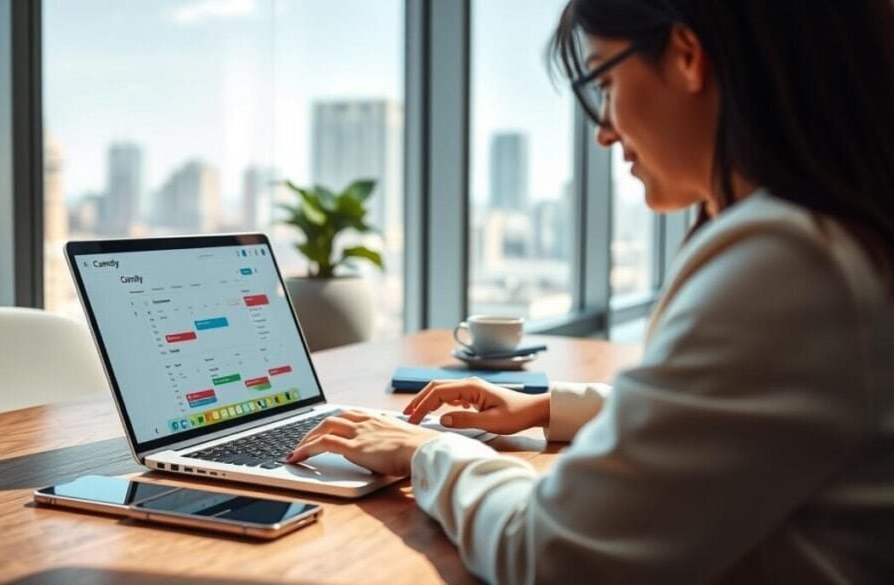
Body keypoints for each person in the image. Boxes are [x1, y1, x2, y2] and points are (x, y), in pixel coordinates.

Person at [289, 0, 894, 582]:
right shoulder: (840, 238)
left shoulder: (788, 261)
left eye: (603, 82)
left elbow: (555, 555)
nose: (603, 131)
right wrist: (553, 406)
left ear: (686, 55)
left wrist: (426, 453)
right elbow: (747, 417)